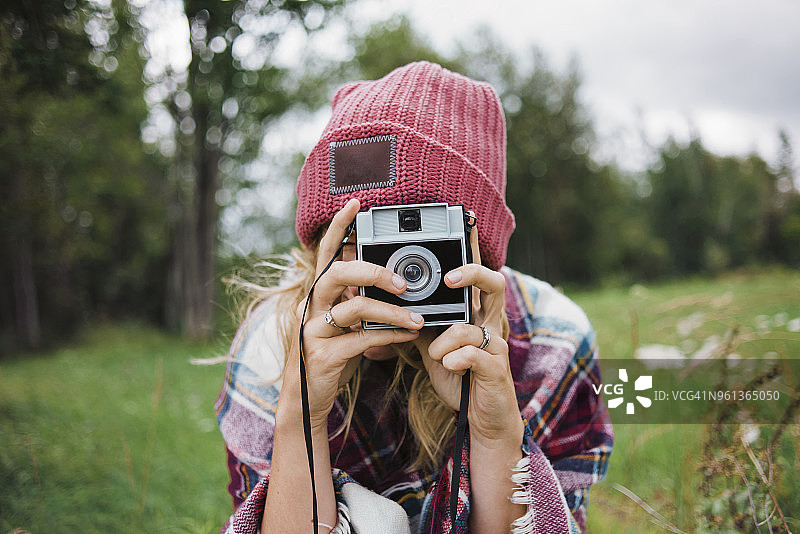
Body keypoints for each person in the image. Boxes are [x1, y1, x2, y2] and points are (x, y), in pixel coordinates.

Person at [215, 61, 613, 534]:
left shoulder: (551, 344)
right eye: (358, 238)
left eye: (414, 247)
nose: (385, 276)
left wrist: (496, 436)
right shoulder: (273, 339)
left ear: (474, 251)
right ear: (320, 240)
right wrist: (301, 417)